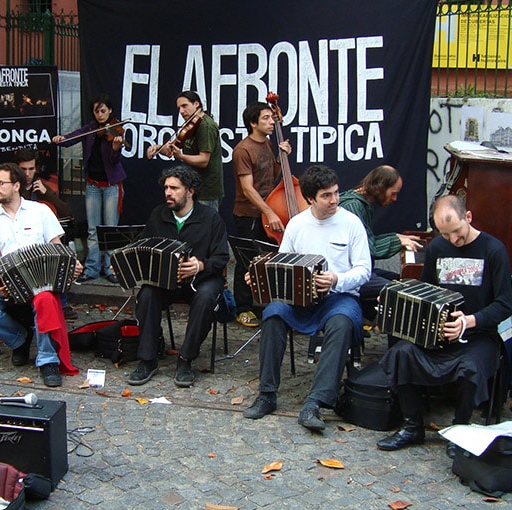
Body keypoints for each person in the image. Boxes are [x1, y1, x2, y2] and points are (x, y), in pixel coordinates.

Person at [376, 194, 512, 457]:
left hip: (478, 336)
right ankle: (412, 425)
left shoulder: (494, 250)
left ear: (468, 217)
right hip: (439, 334)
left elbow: (505, 304)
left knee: (470, 367)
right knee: (401, 354)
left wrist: (469, 321)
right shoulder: (438, 248)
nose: (454, 240)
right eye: (446, 234)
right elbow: (426, 290)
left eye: (457, 232)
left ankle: (460, 429)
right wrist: (395, 295)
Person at [243, 165, 371, 431]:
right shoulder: (298, 224)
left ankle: (316, 401)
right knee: (273, 314)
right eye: (326, 195)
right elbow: (281, 264)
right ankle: (267, 394)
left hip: (340, 297)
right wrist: (259, 277)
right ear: (311, 198)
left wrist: (336, 278)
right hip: (299, 300)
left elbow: (364, 270)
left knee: (342, 323)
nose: (334, 200)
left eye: (336, 193)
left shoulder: (351, 223)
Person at [0, 163, 83, 387]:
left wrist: (72, 265)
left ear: (16, 185)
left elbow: (57, 246)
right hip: (8, 276)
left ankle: (47, 361)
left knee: (45, 300)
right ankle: (19, 339)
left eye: (0, 183)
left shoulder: (40, 211)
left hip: (41, 278)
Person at [128, 165, 229, 388]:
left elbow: (222, 257)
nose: (168, 193)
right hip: (166, 280)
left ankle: (185, 359)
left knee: (205, 298)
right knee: (146, 295)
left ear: (190, 191)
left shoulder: (210, 218)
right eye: (166, 188)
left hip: (203, 279)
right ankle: (148, 359)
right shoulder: (158, 215)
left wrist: (201, 265)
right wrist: (127, 264)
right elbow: (141, 247)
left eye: (174, 188)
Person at [53, 94, 126, 283]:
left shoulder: (115, 130)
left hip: (111, 186)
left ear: (110, 111)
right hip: (93, 185)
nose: (100, 115)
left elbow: (113, 161)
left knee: (110, 229)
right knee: (92, 230)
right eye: (97, 111)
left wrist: (116, 148)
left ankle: (110, 269)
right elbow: (73, 137)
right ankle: (92, 268)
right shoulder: (91, 129)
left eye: (103, 111)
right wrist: (62, 138)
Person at [231, 101, 291, 327]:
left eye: (271, 117)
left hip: (267, 212)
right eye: (266, 118)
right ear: (252, 123)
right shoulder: (243, 150)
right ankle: (243, 308)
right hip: (248, 214)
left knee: (270, 256)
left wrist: (280, 158)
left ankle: (267, 304)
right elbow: (247, 188)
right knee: (246, 260)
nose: (271, 122)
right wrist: (269, 211)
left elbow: (271, 176)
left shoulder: (266, 143)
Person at [339, 165, 424, 318]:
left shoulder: (361, 203)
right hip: (350, 274)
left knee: (405, 282)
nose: (394, 198)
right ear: (380, 188)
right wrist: (397, 241)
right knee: (401, 293)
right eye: (393, 193)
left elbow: (367, 241)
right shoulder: (353, 206)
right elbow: (371, 249)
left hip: (364, 269)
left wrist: (397, 237)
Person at [147, 90, 224, 210]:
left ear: (196, 104)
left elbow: (204, 160)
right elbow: (171, 150)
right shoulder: (190, 125)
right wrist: (158, 148)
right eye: (179, 108)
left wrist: (181, 156)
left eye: (184, 106)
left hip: (207, 191)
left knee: (204, 227)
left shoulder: (206, 126)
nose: (181, 111)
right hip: (192, 186)